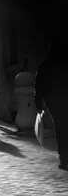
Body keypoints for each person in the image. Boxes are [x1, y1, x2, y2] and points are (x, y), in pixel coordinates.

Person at [34, 39, 68, 171]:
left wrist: (39, 106)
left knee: (60, 129)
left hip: (53, 103)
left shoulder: (44, 66)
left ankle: (64, 159)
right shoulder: (65, 64)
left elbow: (39, 87)